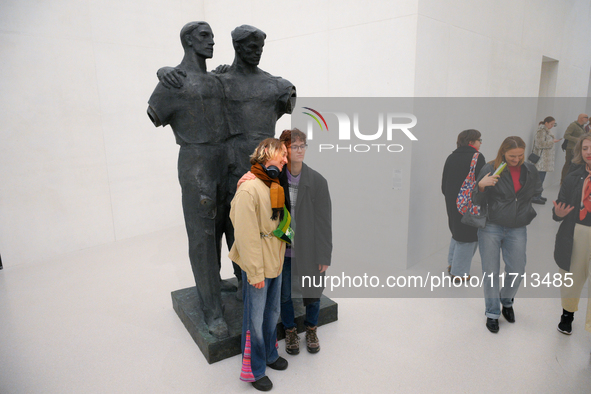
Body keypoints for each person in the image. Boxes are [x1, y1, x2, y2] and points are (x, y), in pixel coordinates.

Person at [146, 21, 232, 338]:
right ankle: (212, 312)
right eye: (204, 36)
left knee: (228, 224)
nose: (212, 41)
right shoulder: (174, 81)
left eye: (212, 36)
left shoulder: (217, 80)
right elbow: (154, 112)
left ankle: (219, 281)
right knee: (202, 236)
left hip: (225, 159)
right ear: (188, 41)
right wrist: (162, 71)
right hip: (197, 162)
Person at [229, 138, 290, 392]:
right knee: (254, 320)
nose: (286, 160)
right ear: (267, 154)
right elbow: (245, 236)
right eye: (283, 155)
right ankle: (254, 369)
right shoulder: (248, 189)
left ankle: (269, 354)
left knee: (271, 312)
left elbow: (279, 222)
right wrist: (254, 273)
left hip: (274, 260)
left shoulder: (273, 183)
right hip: (258, 266)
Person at [473, 136, 542, 333]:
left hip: (517, 226)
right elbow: (476, 198)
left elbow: (536, 190)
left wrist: (522, 204)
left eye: (520, 155)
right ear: (503, 152)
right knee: (491, 271)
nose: (516, 159)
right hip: (491, 226)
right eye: (512, 155)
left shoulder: (529, 169)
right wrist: (481, 185)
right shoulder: (490, 168)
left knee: (518, 269)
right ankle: (493, 312)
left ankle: (506, 300)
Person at [278, 129, 332, 355]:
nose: (299, 151)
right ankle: (290, 330)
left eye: (302, 146)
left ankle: (311, 328)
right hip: (283, 250)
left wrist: (324, 256)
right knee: (285, 294)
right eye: (294, 146)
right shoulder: (276, 178)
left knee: (313, 291)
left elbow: (324, 222)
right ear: (285, 150)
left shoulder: (317, 181)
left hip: (309, 250)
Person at [552, 133, 591, 337]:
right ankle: (567, 316)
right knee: (570, 278)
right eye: (585, 148)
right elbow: (560, 205)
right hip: (575, 232)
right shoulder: (573, 176)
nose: (588, 152)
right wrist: (557, 214)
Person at [441, 129, 486, 280]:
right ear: (471, 142)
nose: (480, 143)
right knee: (468, 236)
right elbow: (482, 184)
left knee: (456, 232)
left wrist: (452, 197)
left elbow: (443, 184)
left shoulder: (451, 156)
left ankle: (452, 264)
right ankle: (459, 273)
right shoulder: (477, 157)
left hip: (453, 202)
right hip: (469, 204)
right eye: (479, 140)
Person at [530, 117, 561, 204]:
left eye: (553, 124)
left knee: (541, 179)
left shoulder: (546, 131)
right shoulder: (541, 131)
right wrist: (552, 142)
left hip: (545, 160)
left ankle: (538, 195)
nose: (552, 126)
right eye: (551, 124)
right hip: (541, 160)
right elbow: (539, 144)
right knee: (539, 179)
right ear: (546, 123)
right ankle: (535, 196)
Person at [561, 114, 588, 184]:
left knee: (576, 165)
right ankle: (563, 181)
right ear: (582, 118)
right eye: (586, 118)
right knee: (568, 164)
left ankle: (571, 181)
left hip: (577, 149)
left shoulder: (582, 127)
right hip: (571, 148)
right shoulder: (573, 125)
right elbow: (566, 135)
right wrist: (577, 139)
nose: (588, 119)